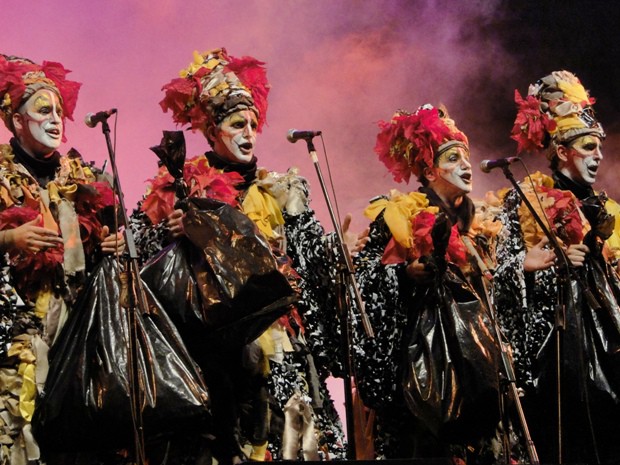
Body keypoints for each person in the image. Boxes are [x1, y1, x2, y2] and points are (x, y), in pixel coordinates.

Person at [130, 48, 346, 462]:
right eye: (236, 124)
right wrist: (169, 232)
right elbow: (136, 249)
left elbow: (310, 261)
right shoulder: (181, 185)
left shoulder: (280, 191)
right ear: (213, 131)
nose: (249, 132)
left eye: (252, 124)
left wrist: (335, 248)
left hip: (278, 340)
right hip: (211, 350)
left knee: (291, 441)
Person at [352, 105, 502, 464]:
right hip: (421, 379)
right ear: (430, 170)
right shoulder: (398, 216)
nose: (466, 165)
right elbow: (362, 284)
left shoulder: (483, 227)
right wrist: (405, 275)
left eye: (466, 157)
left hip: (478, 376)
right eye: (453, 158)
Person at [0, 55, 124, 464]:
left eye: (58, 110)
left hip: (80, 326)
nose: (56, 119)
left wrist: (113, 243)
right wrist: (8, 238)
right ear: (17, 121)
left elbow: (118, 233)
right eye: (43, 110)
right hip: (18, 336)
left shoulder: (83, 178)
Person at [494, 70, 620, 464]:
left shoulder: (608, 209)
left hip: (608, 331)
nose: (598, 155)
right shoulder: (528, 199)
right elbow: (500, 274)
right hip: (558, 345)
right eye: (588, 146)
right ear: (563, 151)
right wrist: (537, 266)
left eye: (599, 147)